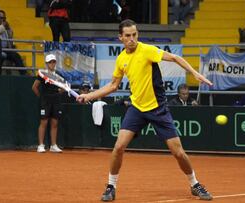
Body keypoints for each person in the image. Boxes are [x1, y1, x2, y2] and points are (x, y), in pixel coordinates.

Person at [77, 19, 213, 202]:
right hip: (137, 109)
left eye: (134, 34)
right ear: (121, 38)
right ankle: (111, 186)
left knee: (178, 153)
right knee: (118, 147)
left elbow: (175, 58)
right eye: (127, 36)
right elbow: (113, 85)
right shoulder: (121, 59)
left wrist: (194, 73)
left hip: (158, 109)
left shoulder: (147, 50)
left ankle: (195, 184)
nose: (132, 39)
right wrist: (90, 95)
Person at [32, 54, 63, 153]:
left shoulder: (58, 75)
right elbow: (34, 87)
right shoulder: (42, 74)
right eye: (50, 62)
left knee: (55, 123)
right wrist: (41, 98)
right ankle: (41, 145)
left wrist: (60, 91)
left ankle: (53, 145)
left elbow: (62, 88)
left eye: (53, 62)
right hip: (45, 101)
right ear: (46, 64)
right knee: (44, 122)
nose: (52, 64)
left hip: (56, 100)